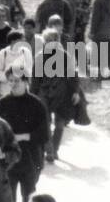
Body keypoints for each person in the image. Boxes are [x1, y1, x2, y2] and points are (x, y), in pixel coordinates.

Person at [0, 72, 49, 202]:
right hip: (9, 161)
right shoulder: (2, 103)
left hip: (31, 160)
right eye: (10, 81)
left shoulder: (37, 104)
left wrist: (24, 136)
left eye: (17, 81)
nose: (13, 84)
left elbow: (45, 134)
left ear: (26, 82)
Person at [33, 29, 80, 163]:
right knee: (45, 122)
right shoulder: (39, 57)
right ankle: (49, 150)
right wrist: (32, 96)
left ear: (58, 41)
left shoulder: (66, 56)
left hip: (62, 93)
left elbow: (73, 75)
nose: (50, 43)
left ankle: (54, 148)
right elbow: (35, 79)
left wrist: (76, 92)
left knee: (60, 124)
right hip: (44, 93)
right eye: (48, 41)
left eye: (53, 40)